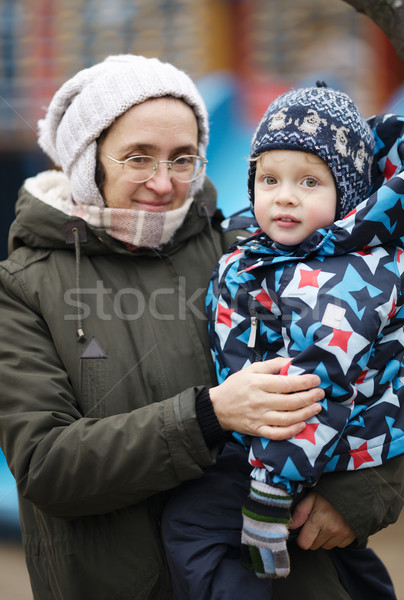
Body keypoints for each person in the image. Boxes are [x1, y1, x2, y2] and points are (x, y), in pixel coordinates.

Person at [0, 56, 401, 600]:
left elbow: (382, 374)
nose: (164, 183)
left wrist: (359, 498)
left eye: (182, 158)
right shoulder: (24, 287)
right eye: (138, 157)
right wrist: (209, 415)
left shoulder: (249, 250)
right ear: (86, 158)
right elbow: (47, 466)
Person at [162, 85, 404, 598]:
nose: (285, 195)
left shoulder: (341, 274)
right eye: (269, 179)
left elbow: (315, 387)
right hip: (308, 448)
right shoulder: (277, 249)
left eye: (309, 181)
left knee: (194, 526)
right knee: (346, 558)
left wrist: (270, 492)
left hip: (304, 452)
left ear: (350, 197)